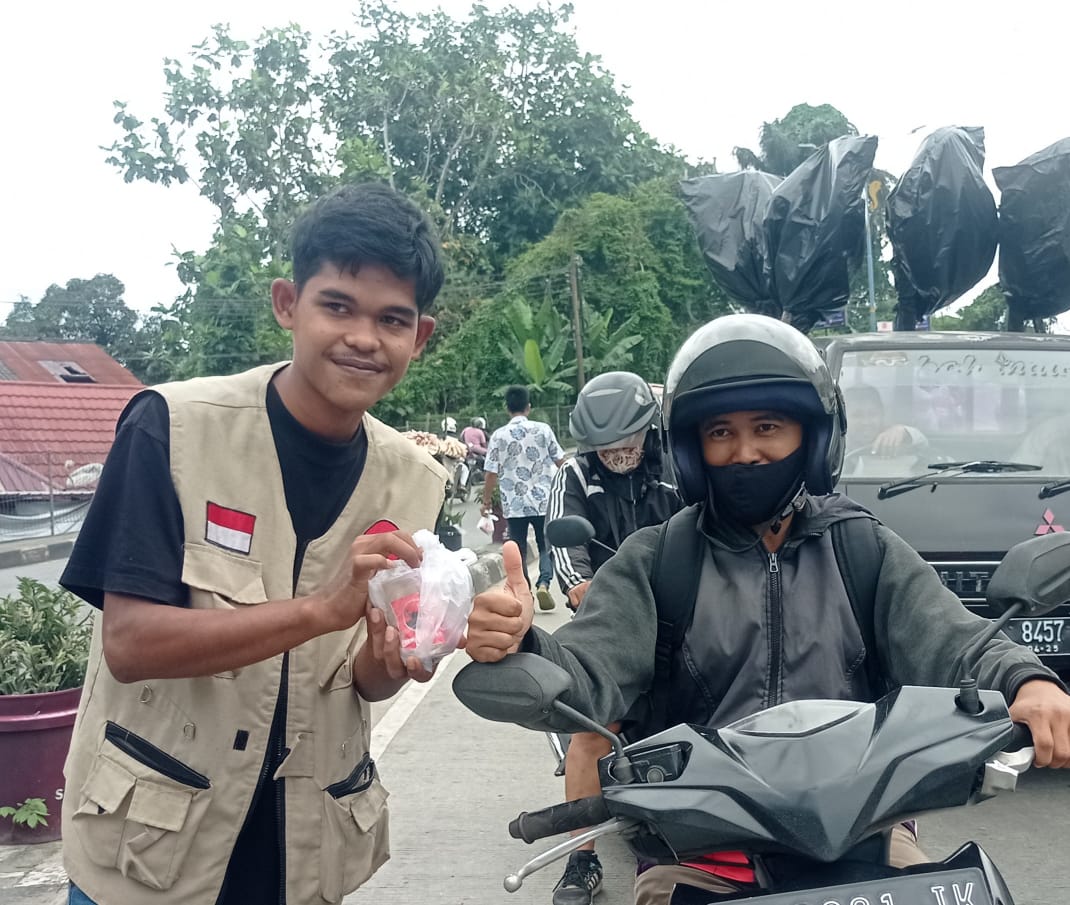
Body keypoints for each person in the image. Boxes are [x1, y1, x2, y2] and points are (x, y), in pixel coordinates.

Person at [466, 314, 1070, 905]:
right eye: (721, 432)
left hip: (865, 838)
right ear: (692, 449)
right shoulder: (658, 560)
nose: (747, 451)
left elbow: (956, 640)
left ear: (812, 437)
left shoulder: (862, 547)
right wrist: (524, 646)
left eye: (768, 427)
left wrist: (1028, 680)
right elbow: (588, 669)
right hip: (705, 854)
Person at [58, 183, 450, 905]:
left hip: (303, 856)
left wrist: (400, 658)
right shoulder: (171, 430)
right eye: (337, 305)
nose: (364, 337)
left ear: (418, 338)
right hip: (149, 855)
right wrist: (319, 610)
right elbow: (132, 642)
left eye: (391, 319)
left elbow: (361, 679)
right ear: (286, 304)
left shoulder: (416, 482)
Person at [544, 372, 681, 905]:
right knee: (591, 734)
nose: (620, 453)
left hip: (682, 616)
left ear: (648, 430)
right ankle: (581, 859)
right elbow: (565, 545)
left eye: (629, 441)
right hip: (610, 621)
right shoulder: (573, 476)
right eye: (607, 446)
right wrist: (582, 586)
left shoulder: (673, 469)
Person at [482, 385, 564, 611]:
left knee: (518, 548)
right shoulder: (543, 430)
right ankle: (544, 582)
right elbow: (561, 462)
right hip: (543, 500)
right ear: (529, 407)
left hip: (514, 503)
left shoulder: (499, 435)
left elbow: (490, 473)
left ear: (507, 408)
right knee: (546, 544)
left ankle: (524, 590)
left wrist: (486, 502)